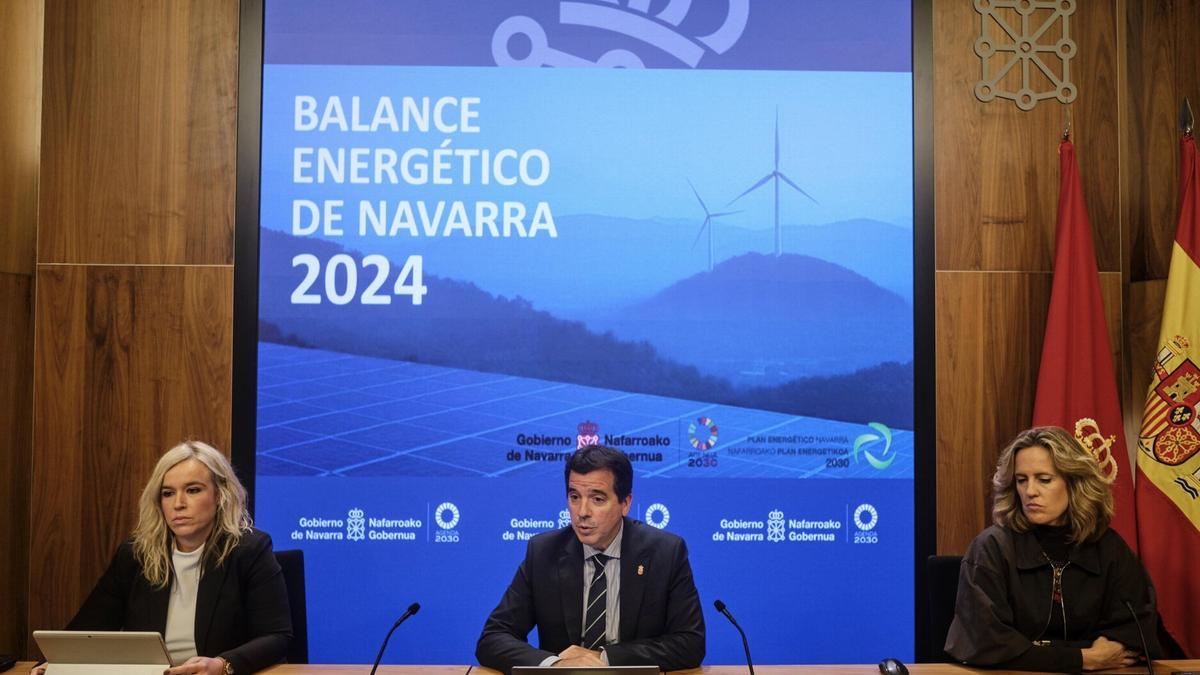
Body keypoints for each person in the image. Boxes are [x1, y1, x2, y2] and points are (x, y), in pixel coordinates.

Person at [32, 441, 291, 675]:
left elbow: (276, 636)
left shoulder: (248, 550)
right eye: (167, 493)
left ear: (220, 496)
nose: (178, 503)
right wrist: (59, 662)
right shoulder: (136, 554)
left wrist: (223, 665)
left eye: (193, 490)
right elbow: (87, 630)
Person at [945, 426, 1161, 671]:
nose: (1030, 492)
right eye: (1021, 480)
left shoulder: (1108, 547)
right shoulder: (992, 548)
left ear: (1074, 482)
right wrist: (1084, 658)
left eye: (1044, 479)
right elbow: (988, 644)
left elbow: (1135, 631)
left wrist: (1036, 650)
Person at [476, 445, 705, 673]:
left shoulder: (665, 552)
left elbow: (690, 643)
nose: (582, 511)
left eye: (597, 499)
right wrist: (557, 664)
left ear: (625, 503)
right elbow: (493, 638)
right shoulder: (544, 552)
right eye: (574, 497)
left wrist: (604, 658)